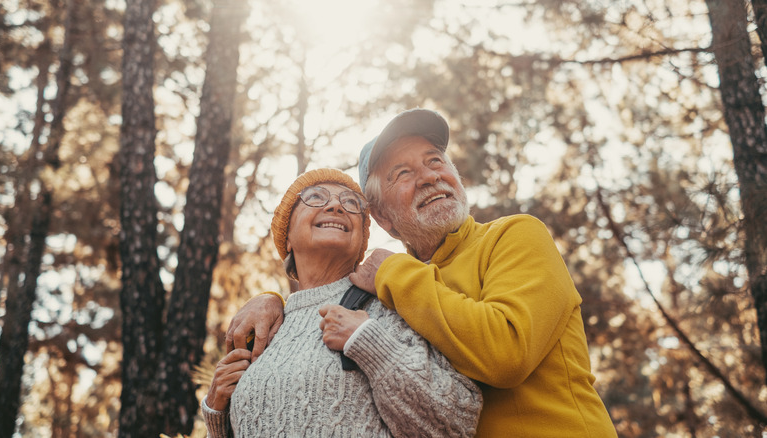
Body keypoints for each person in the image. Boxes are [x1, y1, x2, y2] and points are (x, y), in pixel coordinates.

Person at [228, 109, 620, 437]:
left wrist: (393, 271)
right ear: (382, 218)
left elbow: (507, 353)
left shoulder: (513, 236)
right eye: (402, 173)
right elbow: (321, 299)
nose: (430, 176)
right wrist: (274, 301)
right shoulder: (389, 291)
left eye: (435, 161)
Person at [202, 168, 482, 437]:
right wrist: (216, 418)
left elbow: (457, 424)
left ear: (361, 240)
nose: (336, 207)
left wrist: (370, 343)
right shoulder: (262, 329)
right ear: (286, 236)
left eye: (351, 203)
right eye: (315, 197)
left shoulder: (389, 307)